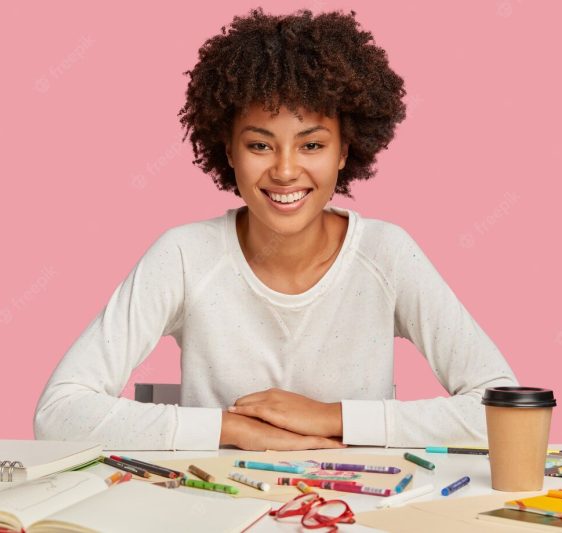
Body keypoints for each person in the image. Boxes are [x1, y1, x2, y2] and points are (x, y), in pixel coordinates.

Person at [33, 7, 518, 451]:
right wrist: (235, 430)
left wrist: (332, 419)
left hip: (356, 504)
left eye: (311, 146)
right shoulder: (184, 255)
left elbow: (505, 409)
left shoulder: (387, 255)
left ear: (345, 150)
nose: (285, 172)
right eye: (261, 146)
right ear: (228, 150)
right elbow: (58, 412)